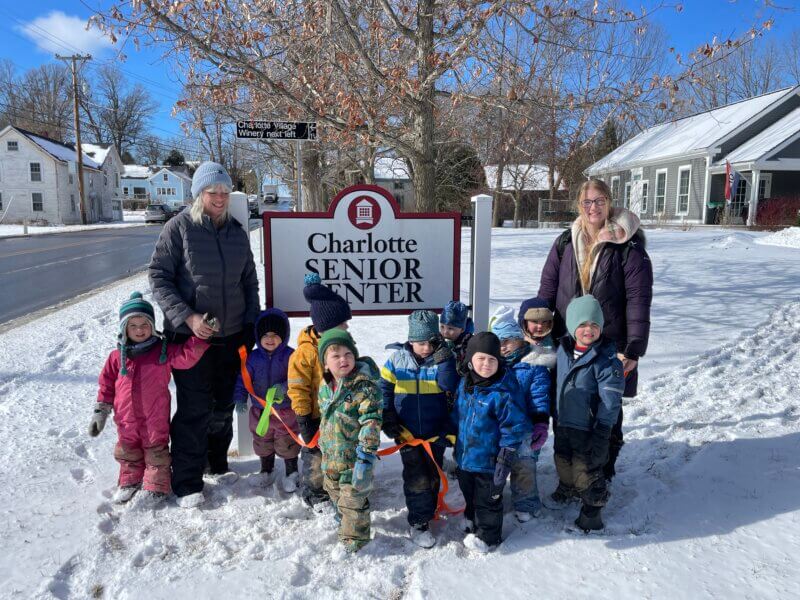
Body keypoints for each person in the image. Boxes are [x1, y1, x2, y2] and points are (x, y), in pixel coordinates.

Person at [149, 161, 260, 508]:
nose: (220, 198)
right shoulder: (178, 228)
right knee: (195, 409)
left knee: (224, 405)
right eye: (213, 192)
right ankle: (187, 481)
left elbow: (249, 282)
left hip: (232, 336)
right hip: (190, 339)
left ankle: (217, 463)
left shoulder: (237, 232)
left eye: (225, 193)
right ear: (199, 193)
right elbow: (159, 278)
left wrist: (251, 325)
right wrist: (188, 316)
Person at [537, 178, 653, 480]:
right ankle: (572, 470)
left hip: (610, 342)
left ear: (609, 202)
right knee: (569, 401)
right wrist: (537, 326)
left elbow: (638, 300)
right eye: (587, 202)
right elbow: (548, 289)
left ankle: (602, 472)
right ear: (579, 204)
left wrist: (633, 349)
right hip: (568, 341)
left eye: (600, 200)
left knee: (606, 406)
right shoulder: (565, 242)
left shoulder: (628, 246)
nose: (593, 207)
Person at [89, 292, 208, 504]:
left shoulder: (161, 351)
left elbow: (185, 357)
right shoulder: (117, 357)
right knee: (128, 449)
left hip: (154, 415)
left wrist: (200, 337)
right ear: (124, 329)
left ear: (151, 325)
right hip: (125, 417)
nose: (139, 330)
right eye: (133, 326)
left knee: (156, 451)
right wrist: (101, 410)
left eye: (144, 324)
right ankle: (129, 481)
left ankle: (157, 485)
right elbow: (107, 384)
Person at [380, 310, 459, 548]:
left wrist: (445, 359)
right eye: (420, 343)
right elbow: (383, 390)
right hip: (407, 434)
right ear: (410, 340)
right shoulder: (396, 361)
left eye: (430, 342)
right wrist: (388, 417)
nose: (426, 348)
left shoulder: (443, 359)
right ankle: (418, 522)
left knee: (433, 473)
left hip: (436, 432)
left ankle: (430, 506)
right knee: (417, 477)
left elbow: (450, 386)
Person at [551, 295, 624, 532]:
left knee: (588, 470)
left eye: (594, 325)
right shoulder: (563, 349)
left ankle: (592, 512)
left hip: (589, 426)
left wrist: (603, 429)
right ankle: (567, 488)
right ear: (572, 326)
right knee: (562, 458)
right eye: (582, 324)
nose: (588, 330)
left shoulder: (606, 360)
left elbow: (611, 401)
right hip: (563, 421)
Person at [451, 332, 527, 553]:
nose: (486, 364)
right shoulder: (465, 384)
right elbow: (458, 414)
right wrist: (449, 433)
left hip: (490, 460)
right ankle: (470, 517)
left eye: (492, 359)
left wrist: (506, 455)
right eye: (481, 358)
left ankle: (489, 537)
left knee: (489, 500)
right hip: (466, 456)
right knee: (469, 492)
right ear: (470, 360)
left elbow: (513, 426)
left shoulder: (503, 392)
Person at [288, 273, 352, 510]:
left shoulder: (345, 345)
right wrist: (304, 419)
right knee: (315, 458)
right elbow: (298, 389)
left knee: (338, 456)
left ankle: (337, 490)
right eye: (342, 323)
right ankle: (316, 495)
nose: (347, 326)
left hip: (339, 416)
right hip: (315, 417)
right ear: (326, 325)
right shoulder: (304, 354)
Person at [317, 328, 382, 553]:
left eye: (348, 354)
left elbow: (371, 422)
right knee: (334, 494)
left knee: (353, 503)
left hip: (355, 460)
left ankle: (354, 542)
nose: (343, 359)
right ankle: (343, 522)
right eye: (335, 356)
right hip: (331, 458)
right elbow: (325, 421)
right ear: (325, 363)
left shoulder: (364, 388)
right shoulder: (325, 388)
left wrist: (365, 456)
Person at [489, 306, 550, 522]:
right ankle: (491, 499)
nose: (503, 347)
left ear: (520, 340)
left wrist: (541, 422)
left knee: (523, 465)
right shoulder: (492, 367)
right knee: (494, 464)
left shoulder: (534, 365)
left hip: (524, 429)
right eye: (499, 342)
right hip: (498, 428)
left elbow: (539, 396)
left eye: (508, 341)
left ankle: (526, 503)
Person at [232, 308, 300, 492]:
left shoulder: (291, 356)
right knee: (262, 441)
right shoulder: (252, 358)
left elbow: (297, 378)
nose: (270, 339)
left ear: (284, 336)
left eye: (275, 335)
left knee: (286, 441)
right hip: (259, 411)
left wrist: (284, 388)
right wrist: (240, 398)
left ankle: (291, 472)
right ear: (258, 336)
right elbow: (243, 378)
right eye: (266, 335)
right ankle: (266, 470)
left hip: (284, 410)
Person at [439, 300, 473, 376]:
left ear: (462, 329)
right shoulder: (439, 341)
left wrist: (445, 352)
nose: (445, 332)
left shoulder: (469, 346)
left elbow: (462, 372)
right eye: (442, 327)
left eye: (450, 328)